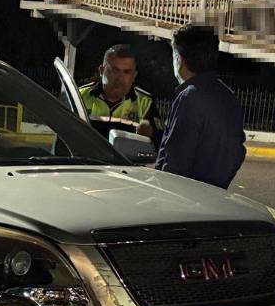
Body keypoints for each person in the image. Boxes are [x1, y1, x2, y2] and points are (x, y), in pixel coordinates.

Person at [156, 24, 246, 188]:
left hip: (183, 199)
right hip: (215, 195)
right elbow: (238, 152)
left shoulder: (189, 97)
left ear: (179, 60)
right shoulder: (229, 97)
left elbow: (175, 160)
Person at [78, 44, 157, 146]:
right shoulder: (81, 96)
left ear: (134, 76)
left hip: (124, 162)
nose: (120, 77)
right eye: (114, 70)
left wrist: (148, 138)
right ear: (101, 71)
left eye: (126, 72)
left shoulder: (145, 103)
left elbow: (159, 147)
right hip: (87, 161)